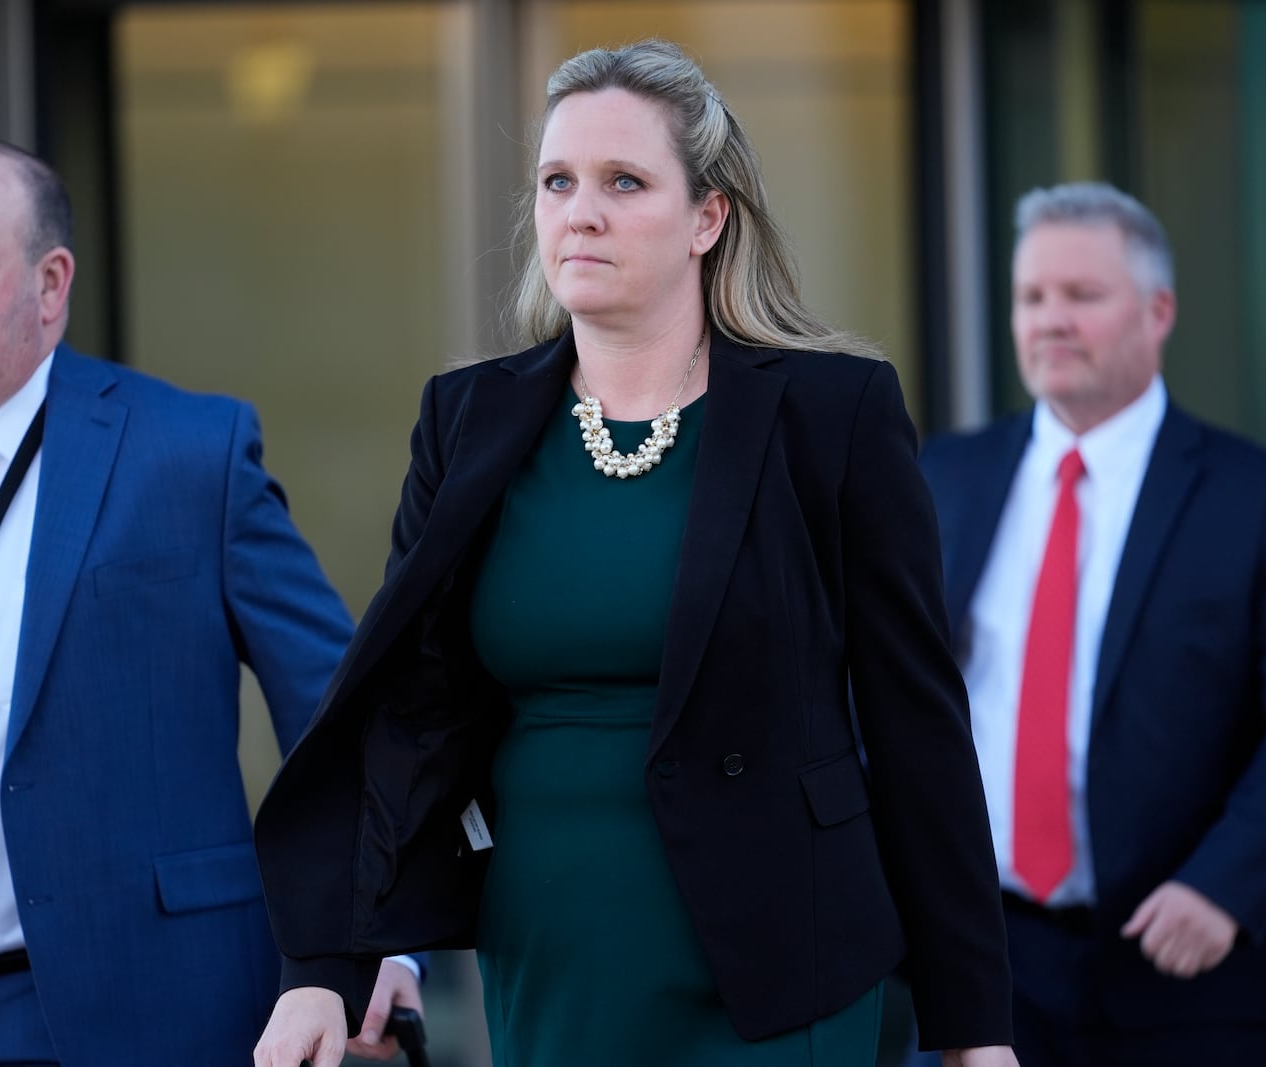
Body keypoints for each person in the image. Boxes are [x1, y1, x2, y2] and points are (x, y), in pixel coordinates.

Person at [253, 39, 1016, 1067]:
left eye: (624, 182)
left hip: (783, 954)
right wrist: (327, 966)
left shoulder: (832, 414)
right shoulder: (466, 417)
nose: (582, 210)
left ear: (707, 217)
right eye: (558, 182)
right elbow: (407, 707)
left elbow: (915, 717)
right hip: (557, 943)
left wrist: (973, 1024)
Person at [0, 140, 422, 1066]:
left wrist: (371, 945)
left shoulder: (188, 453)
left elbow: (340, 718)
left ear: (51, 286)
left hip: (102, 1011)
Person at [916, 181, 1266, 1066]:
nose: (1050, 320)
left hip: (1190, 961)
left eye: (1082, 295)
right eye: (1032, 297)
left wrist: (1223, 887)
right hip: (984, 960)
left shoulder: (1262, 498)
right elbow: (884, 693)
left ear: (1158, 312)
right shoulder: (943, 478)